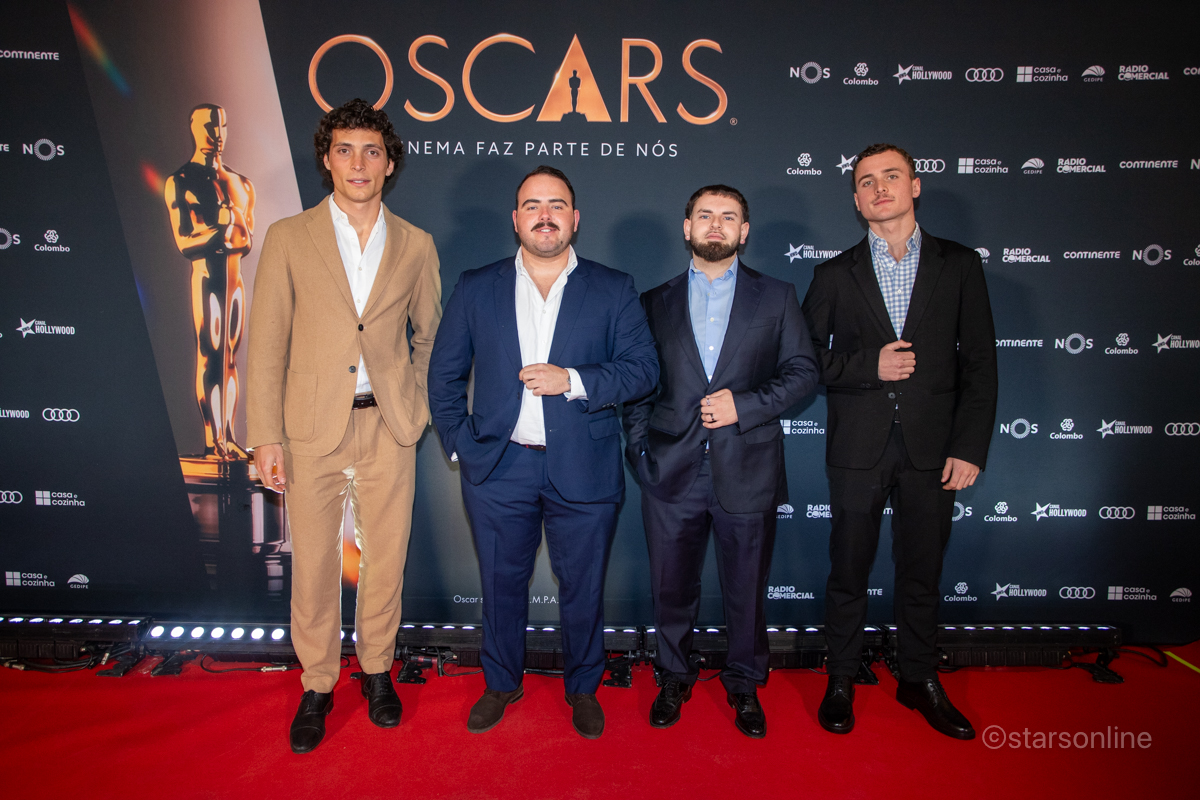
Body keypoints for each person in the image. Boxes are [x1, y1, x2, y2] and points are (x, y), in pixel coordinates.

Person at [428, 166, 658, 739]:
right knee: (500, 583)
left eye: (556, 204)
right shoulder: (476, 286)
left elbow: (643, 371)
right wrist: (461, 446)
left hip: (586, 466)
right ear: (516, 219)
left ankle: (583, 688)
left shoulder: (613, 287)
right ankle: (501, 683)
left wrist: (572, 380)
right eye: (533, 205)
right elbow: (443, 375)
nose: (545, 215)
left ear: (575, 218)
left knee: (584, 586)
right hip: (498, 467)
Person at [246, 98, 442, 753]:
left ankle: (379, 670)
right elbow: (266, 343)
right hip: (309, 428)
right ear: (327, 160)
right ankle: (319, 683)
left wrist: (413, 403)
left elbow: (431, 338)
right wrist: (265, 435)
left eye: (371, 152)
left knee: (385, 560)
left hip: (388, 425)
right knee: (313, 564)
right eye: (345, 150)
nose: (358, 163)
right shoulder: (287, 236)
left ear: (389, 165)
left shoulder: (415, 244)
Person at [801, 143, 997, 740]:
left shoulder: (958, 264)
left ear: (914, 186)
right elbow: (803, 362)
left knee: (922, 573)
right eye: (866, 181)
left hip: (933, 451)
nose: (879, 188)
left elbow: (981, 365)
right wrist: (869, 366)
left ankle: (918, 678)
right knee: (848, 571)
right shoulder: (833, 275)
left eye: (891, 176)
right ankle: (841, 677)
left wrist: (969, 447)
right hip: (857, 450)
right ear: (856, 199)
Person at [623, 185, 819, 738]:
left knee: (746, 590)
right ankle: (673, 676)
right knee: (671, 588)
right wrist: (639, 450)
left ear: (744, 231)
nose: (716, 224)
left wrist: (745, 406)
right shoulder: (653, 301)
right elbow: (638, 386)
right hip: (670, 470)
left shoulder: (777, 295)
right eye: (705, 215)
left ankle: (744, 683)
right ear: (686, 227)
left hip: (748, 468)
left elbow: (804, 372)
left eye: (728, 216)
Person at [165, 104, 255, 460]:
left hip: (235, 279)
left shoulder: (241, 183)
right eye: (208, 126)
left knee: (230, 354)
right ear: (194, 128)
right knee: (211, 352)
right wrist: (222, 229)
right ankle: (212, 439)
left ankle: (228, 435)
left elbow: (246, 240)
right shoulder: (181, 181)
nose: (216, 134)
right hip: (206, 277)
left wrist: (229, 229)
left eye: (221, 126)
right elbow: (185, 242)